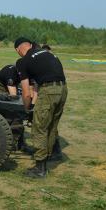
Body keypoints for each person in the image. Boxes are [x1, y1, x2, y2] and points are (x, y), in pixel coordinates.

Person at [14, 37, 68, 178]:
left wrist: (27, 108)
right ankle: (51, 154)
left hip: (49, 91)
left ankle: (40, 168)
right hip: (62, 89)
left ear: (17, 49)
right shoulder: (46, 53)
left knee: (39, 128)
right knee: (51, 125)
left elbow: (26, 91)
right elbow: (40, 82)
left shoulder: (23, 61)